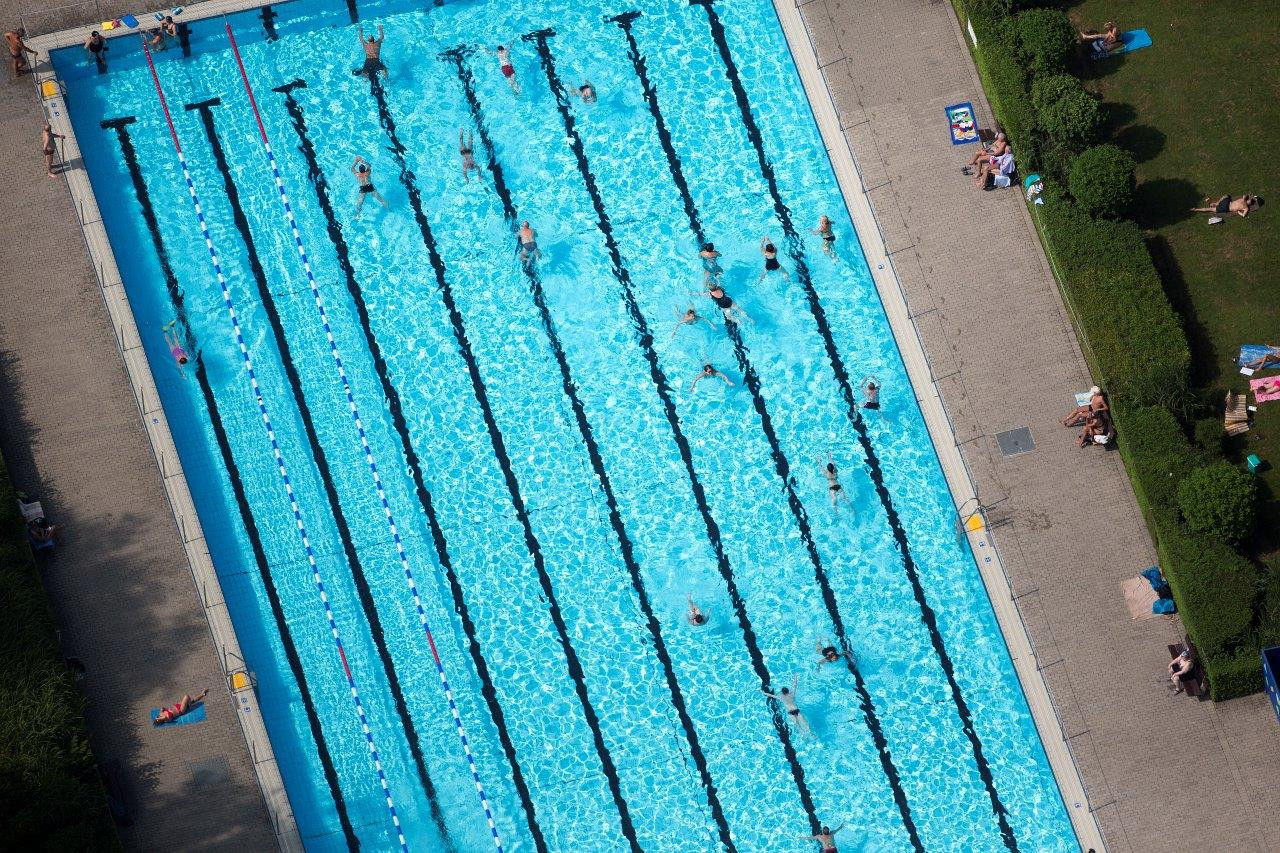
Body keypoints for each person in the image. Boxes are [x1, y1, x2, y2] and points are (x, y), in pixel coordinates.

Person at [1192, 193, 1263, 223]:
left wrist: (1239, 212)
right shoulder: (1245, 203)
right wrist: (1239, 212)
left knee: (1211, 208)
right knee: (1225, 196)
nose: (1249, 200)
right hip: (1226, 205)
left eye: (1250, 200)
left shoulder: (1245, 204)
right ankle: (1213, 203)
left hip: (1226, 206)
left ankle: (1197, 209)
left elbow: (1244, 215)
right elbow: (1246, 195)